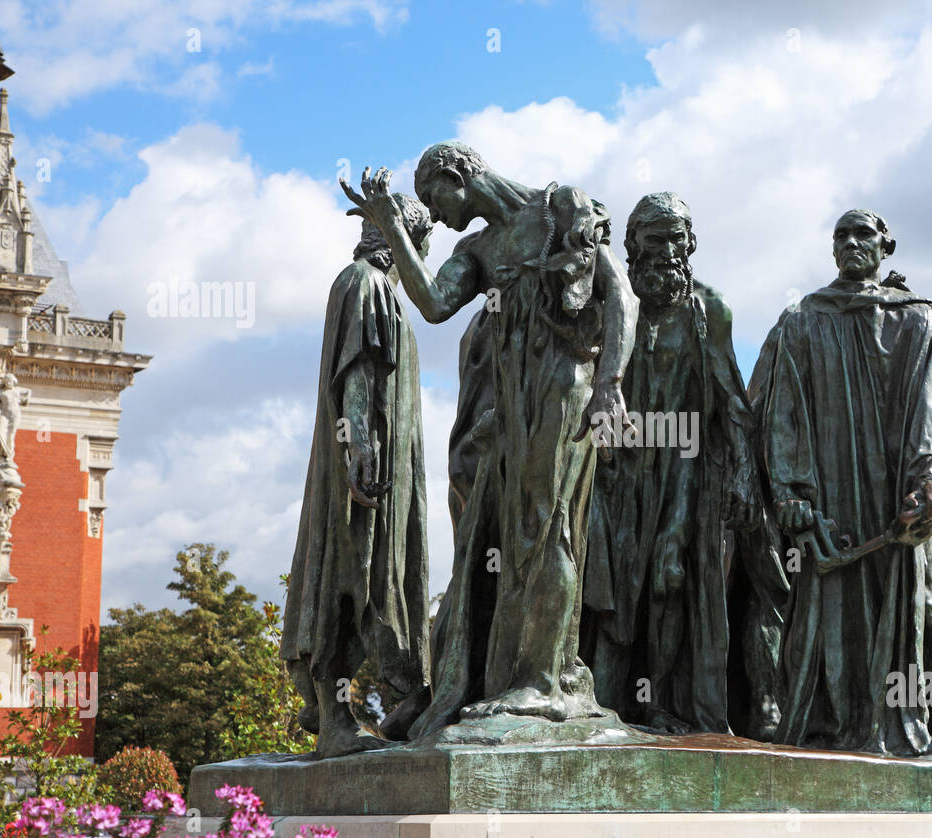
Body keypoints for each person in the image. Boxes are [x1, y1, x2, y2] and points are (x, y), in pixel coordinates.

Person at [343, 143, 637, 736]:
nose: (438, 213)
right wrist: (391, 226)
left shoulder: (561, 208)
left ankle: (544, 684)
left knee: (548, 527)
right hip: (511, 407)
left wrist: (610, 384)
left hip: (564, 392)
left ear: (459, 175)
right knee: (507, 536)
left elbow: (620, 297)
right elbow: (431, 303)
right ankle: (500, 677)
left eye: (433, 198)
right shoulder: (476, 250)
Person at [580, 192, 787, 736]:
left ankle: (661, 706)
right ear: (631, 247)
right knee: (611, 593)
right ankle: (604, 706)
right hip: (613, 471)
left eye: (676, 238)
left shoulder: (707, 309)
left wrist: (743, 473)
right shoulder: (609, 306)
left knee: (669, 581)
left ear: (690, 243)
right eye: (654, 238)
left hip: (684, 469)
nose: (666, 250)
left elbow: (732, 400)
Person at [762, 209, 932, 758]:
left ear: (887, 245)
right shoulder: (804, 317)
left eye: (864, 234)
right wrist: (789, 491)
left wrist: (927, 480)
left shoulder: (917, 318)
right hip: (829, 490)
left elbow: (930, 407)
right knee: (821, 606)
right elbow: (781, 409)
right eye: (841, 235)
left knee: (922, 602)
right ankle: (832, 721)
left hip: (897, 489)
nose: (852, 243)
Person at [280, 193, 434, 758]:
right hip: (367, 466)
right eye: (422, 245)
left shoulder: (379, 291)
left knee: (368, 575)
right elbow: (357, 373)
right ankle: (339, 716)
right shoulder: (363, 283)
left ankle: (389, 707)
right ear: (401, 241)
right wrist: (362, 448)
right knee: (355, 577)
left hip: (384, 465)